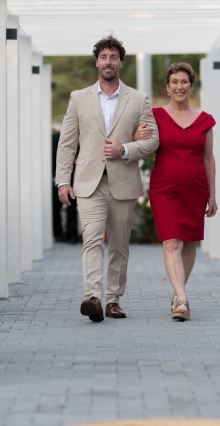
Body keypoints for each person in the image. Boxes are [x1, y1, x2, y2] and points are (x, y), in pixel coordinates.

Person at [55, 34, 159, 322]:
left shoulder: (138, 100)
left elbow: (153, 141)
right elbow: (67, 142)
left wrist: (125, 149)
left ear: (121, 62)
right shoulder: (78, 98)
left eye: (114, 57)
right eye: (103, 57)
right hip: (89, 181)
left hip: (123, 181)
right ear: (97, 62)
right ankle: (93, 297)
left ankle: (114, 299)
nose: (108, 62)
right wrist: (62, 180)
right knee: (91, 238)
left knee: (119, 244)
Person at [133, 62, 217, 321]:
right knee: (172, 242)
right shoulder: (156, 116)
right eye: (174, 82)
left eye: (184, 82)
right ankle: (181, 300)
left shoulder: (205, 121)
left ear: (191, 86)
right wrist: (137, 136)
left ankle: (178, 293)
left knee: (189, 242)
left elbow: (208, 159)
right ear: (168, 88)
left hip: (195, 189)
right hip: (164, 188)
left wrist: (212, 195)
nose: (179, 86)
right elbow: (145, 148)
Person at [51, 131, 79, 243]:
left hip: (73, 179)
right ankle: (58, 234)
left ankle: (72, 235)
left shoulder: (79, 137)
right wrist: (55, 178)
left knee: (72, 207)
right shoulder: (55, 138)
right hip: (56, 179)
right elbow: (52, 158)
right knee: (55, 207)